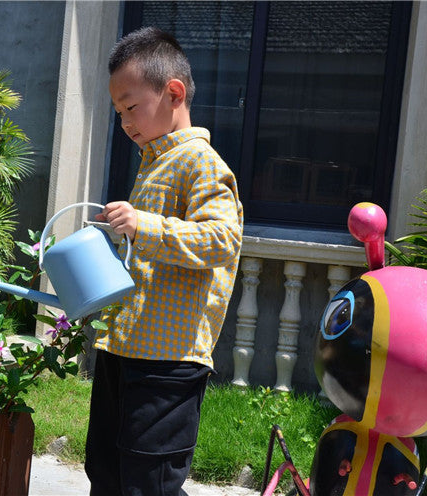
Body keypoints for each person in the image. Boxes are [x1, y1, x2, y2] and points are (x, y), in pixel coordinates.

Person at [86, 26, 244, 496]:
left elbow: (222, 240)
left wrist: (142, 226)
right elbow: (151, 260)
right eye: (118, 112)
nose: (125, 121)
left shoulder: (201, 162)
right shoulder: (152, 164)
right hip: (125, 347)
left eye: (131, 106)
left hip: (168, 362)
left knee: (149, 481)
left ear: (173, 92)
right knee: (107, 470)